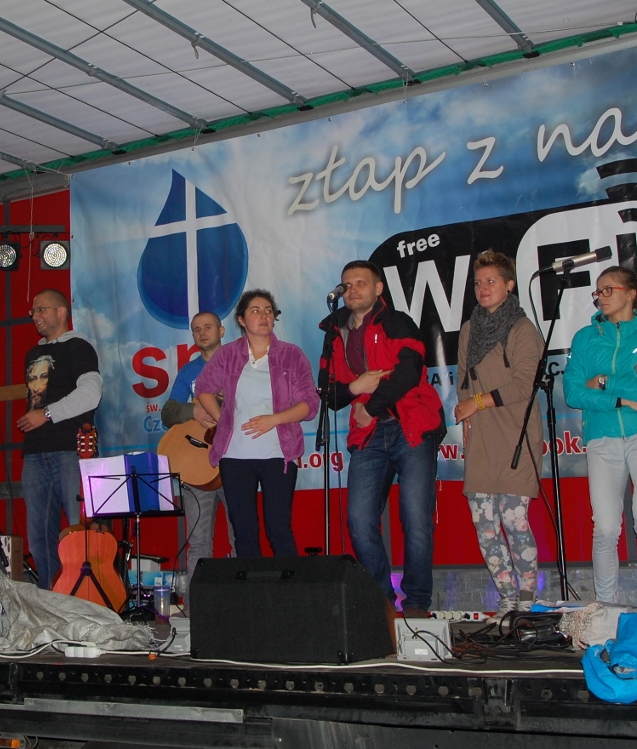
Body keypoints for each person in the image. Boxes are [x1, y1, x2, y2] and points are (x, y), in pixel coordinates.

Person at [318, 260, 445, 616]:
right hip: (368, 436)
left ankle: (416, 603)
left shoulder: (397, 322)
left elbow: (409, 371)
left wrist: (371, 405)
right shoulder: (334, 332)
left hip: (411, 427)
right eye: (346, 285)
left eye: (360, 283)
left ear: (378, 289)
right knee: (359, 521)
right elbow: (328, 394)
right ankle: (383, 602)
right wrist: (356, 386)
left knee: (416, 519)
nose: (352, 290)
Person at [564, 267, 637, 618]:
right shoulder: (585, 337)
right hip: (602, 437)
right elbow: (573, 393)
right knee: (606, 527)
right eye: (598, 292)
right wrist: (622, 399)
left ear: (631, 293)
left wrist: (604, 381)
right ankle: (605, 608)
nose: (601, 297)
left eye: (608, 289)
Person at [194, 290, 318, 558]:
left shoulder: (291, 355)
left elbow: (310, 404)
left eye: (268, 311)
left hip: (278, 454)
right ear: (241, 319)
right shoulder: (228, 355)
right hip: (235, 456)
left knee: (279, 529)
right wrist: (223, 419)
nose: (264, 316)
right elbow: (203, 388)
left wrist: (274, 420)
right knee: (244, 533)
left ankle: (290, 585)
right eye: (255, 310)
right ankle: (252, 586)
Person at [453, 250, 544, 614]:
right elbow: (463, 381)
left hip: (515, 435)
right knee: (485, 525)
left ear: (510, 285)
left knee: (513, 519)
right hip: (481, 437)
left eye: (491, 281)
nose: (483, 288)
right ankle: (507, 599)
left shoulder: (522, 329)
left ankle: (528, 600)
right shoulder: (469, 329)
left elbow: (524, 385)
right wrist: (468, 418)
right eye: (478, 282)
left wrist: (477, 402)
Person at [17, 289, 102, 590]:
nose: (35, 316)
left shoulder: (78, 346)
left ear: (62, 312)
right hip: (34, 453)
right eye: (33, 311)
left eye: (42, 309)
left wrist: (47, 414)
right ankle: (50, 599)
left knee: (81, 534)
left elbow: (91, 393)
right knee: (39, 537)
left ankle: (87, 598)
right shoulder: (32, 354)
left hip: (71, 451)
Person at [161, 311, 234, 594]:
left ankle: (243, 605)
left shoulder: (239, 363)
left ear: (222, 331)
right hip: (196, 466)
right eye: (196, 329)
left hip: (234, 462)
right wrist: (194, 410)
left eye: (208, 327)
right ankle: (196, 609)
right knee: (198, 543)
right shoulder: (188, 371)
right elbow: (168, 412)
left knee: (241, 538)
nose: (202, 333)